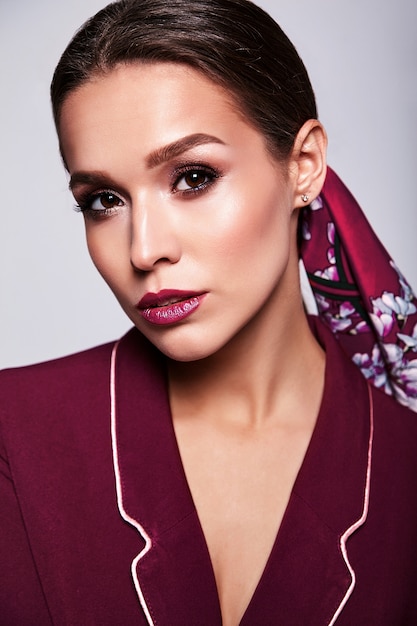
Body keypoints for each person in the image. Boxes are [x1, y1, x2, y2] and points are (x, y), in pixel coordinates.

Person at [1, 0, 416, 624]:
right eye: (104, 200)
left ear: (302, 167)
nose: (144, 249)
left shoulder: (404, 465)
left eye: (192, 177)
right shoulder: (14, 433)